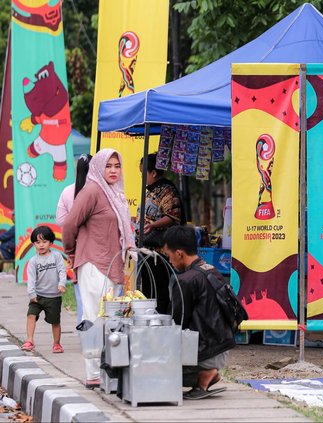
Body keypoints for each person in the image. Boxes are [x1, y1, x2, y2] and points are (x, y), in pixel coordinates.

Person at [62, 148, 135, 389]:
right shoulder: (92, 190)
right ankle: (93, 373)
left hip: (113, 264)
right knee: (93, 318)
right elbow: (70, 223)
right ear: (98, 167)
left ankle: (108, 372)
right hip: (94, 264)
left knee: (112, 320)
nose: (113, 171)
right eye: (108, 166)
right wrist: (72, 252)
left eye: (117, 166)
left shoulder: (115, 193)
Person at [162, 225, 235, 400]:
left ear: (179, 253)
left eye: (169, 255)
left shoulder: (185, 281)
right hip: (222, 347)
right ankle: (208, 371)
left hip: (207, 352)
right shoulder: (211, 269)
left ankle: (205, 374)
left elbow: (176, 322)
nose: (169, 260)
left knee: (153, 370)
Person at [136, 153, 185, 313]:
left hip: (160, 252)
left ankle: (161, 318)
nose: (142, 178)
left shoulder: (167, 190)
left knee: (159, 289)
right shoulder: (151, 191)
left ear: (154, 173)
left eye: (144, 173)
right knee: (147, 290)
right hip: (145, 250)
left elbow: (172, 216)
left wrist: (153, 225)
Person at [56, 153, 92, 324]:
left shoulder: (67, 191)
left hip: (77, 248)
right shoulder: (100, 192)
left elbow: (62, 221)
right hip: (98, 246)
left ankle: (84, 334)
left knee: (81, 294)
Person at [21, 226, 66, 353]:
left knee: (55, 322)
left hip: (53, 296)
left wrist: (62, 284)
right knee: (31, 315)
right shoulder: (33, 261)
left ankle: (57, 344)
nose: (41, 245)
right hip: (38, 296)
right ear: (34, 243)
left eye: (44, 242)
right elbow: (31, 279)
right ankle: (30, 340)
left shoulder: (56, 256)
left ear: (51, 243)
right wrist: (31, 293)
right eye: (37, 242)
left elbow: (62, 271)